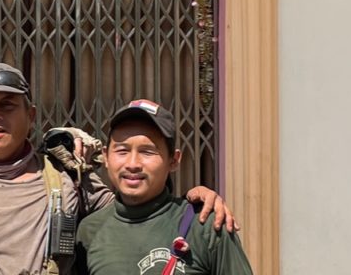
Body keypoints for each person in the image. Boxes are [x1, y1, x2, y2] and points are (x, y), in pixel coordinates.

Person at [0, 64, 234, 275]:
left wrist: (195, 198)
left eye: (7, 105)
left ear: (31, 115)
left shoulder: (68, 177)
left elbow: (140, 208)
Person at [75, 99, 253, 275]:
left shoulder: (206, 227)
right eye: (122, 151)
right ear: (106, 157)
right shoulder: (90, 231)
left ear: (174, 160)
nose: (132, 164)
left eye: (147, 151)